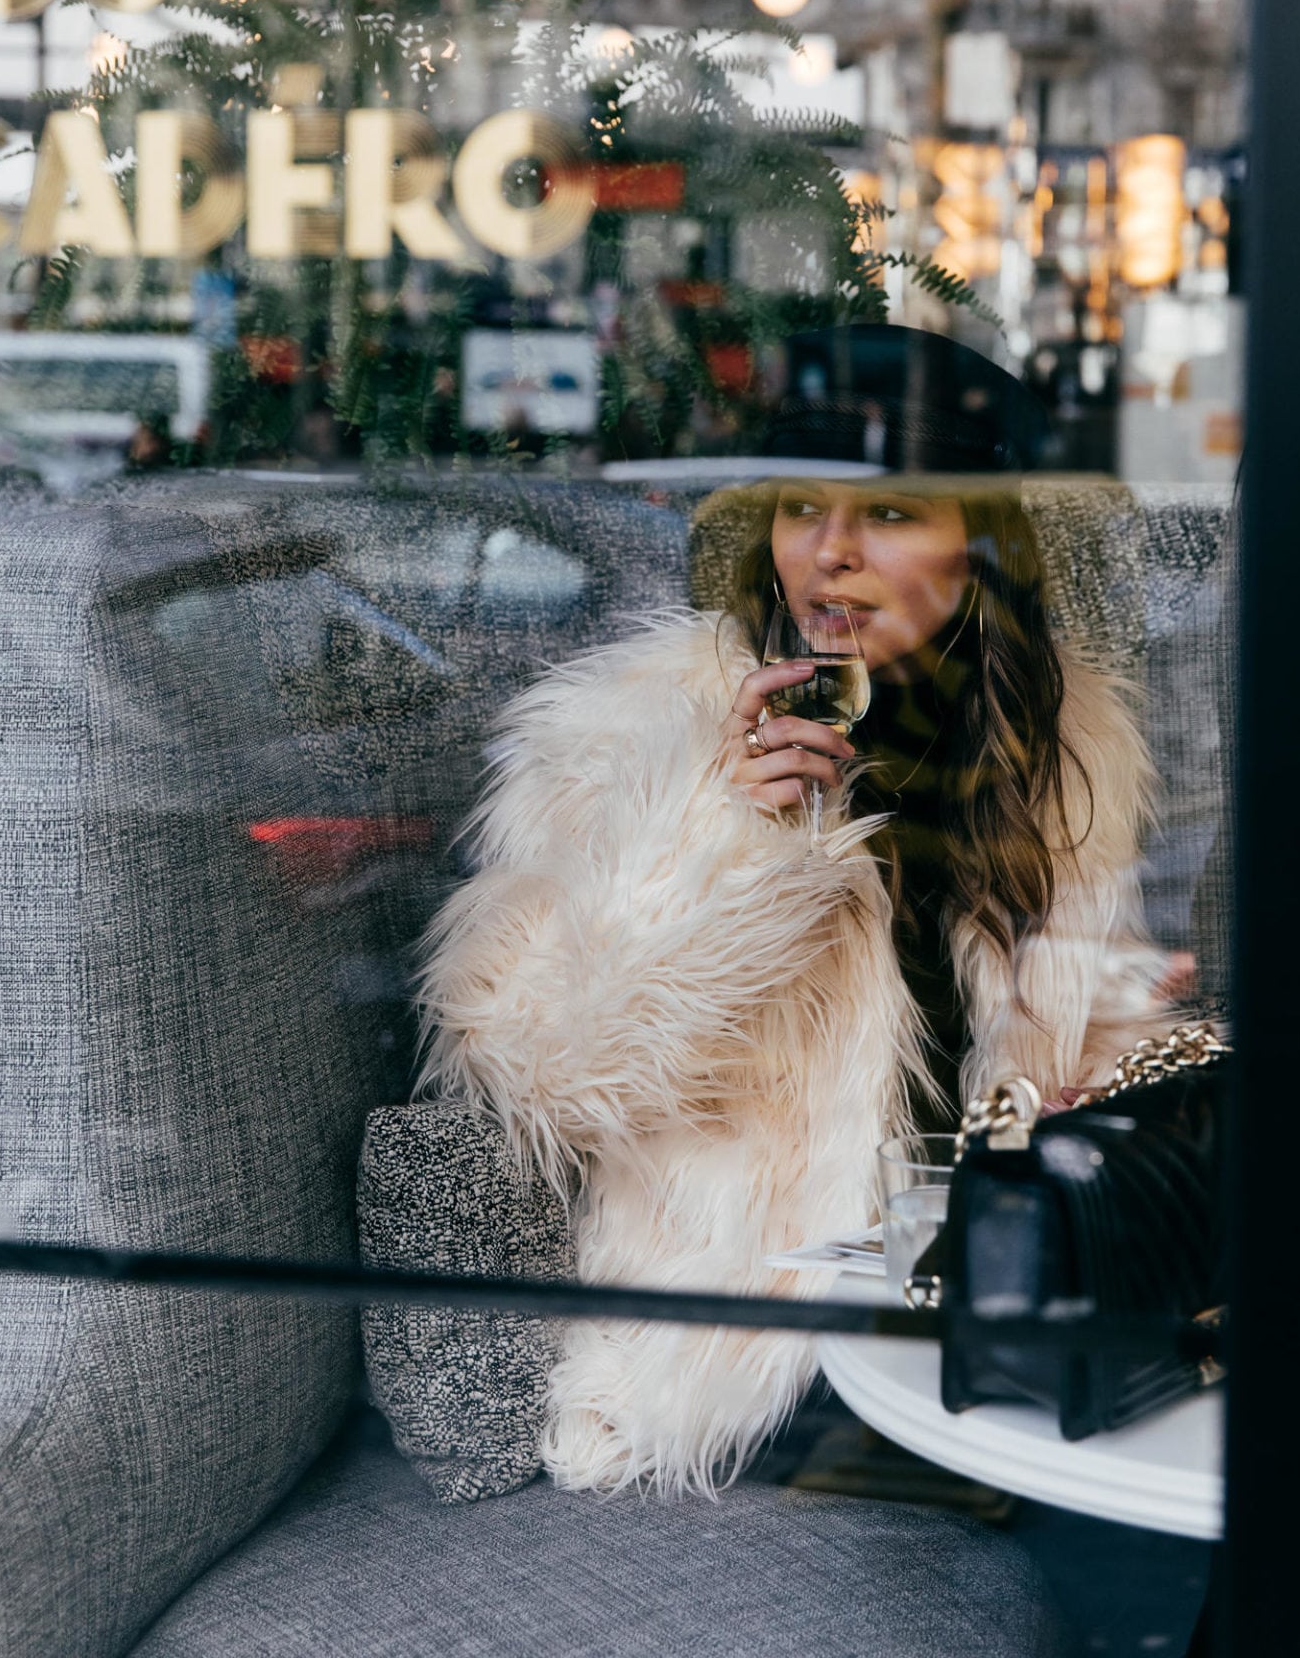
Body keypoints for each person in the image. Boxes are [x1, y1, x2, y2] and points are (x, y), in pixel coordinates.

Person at [415, 329, 1185, 1498]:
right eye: (798, 509)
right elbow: (539, 1074)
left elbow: (1080, 1038)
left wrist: (1124, 1052)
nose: (828, 557)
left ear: (981, 546)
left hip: (987, 1304)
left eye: (885, 516)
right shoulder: (636, 731)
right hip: (750, 1365)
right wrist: (720, 835)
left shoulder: (1062, 745)